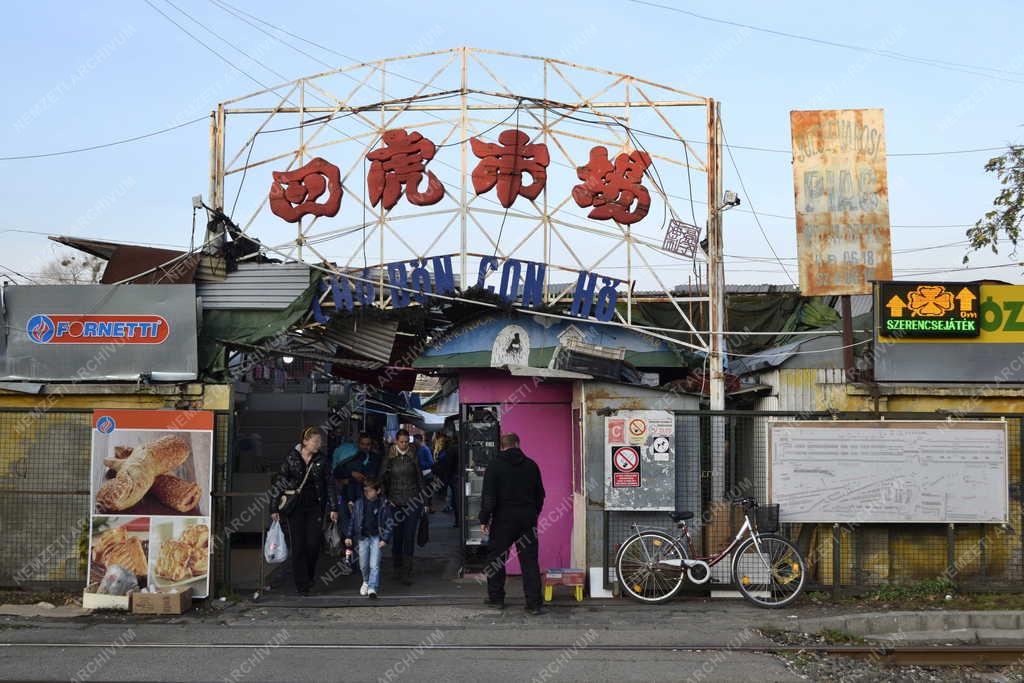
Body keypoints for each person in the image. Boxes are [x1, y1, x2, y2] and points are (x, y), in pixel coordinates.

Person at [479, 432, 546, 615]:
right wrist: (534, 513)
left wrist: (484, 519)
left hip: (503, 519)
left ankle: (496, 599)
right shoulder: (531, 466)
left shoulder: (494, 466)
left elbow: (489, 497)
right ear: (518, 444)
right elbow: (540, 494)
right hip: (527, 519)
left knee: (497, 559)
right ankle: (533, 604)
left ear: (502, 446)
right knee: (529, 561)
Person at [270, 426, 339, 596]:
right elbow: (280, 482)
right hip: (295, 508)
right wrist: (273, 506)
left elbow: (329, 483)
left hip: (315, 506)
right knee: (298, 546)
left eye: (320, 442)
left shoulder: (322, 460)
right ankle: (302, 584)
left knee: (313, 545)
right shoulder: (291, 458)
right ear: (305, 441)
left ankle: (309, 575)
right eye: (315, 442)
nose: (318, 445)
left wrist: (333, 507)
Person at [379, 429, 426, 585]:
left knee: (409, 537)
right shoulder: (389, 458)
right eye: (401, 441)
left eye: (406, 441)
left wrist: (425, 502)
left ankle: (406, 571)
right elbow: (381, 480)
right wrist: (387, 499)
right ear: (396, 441)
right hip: (395, 503)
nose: (404, 444)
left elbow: (420, 479)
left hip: (412, 502)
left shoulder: (414, 456)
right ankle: (397, 568)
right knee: (397, 537)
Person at [344, 477, 393, 599]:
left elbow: (389, 522)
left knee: (374, 564)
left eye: (370, 491)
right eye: (365, 490)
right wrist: (349, 535)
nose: (367, 493)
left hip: (377, 537)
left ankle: (372, 587)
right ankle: (366, 581)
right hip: (363, 537)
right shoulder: (359, 503)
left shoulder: (384, 504)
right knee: (363, 564)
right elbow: (353, 520)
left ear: (378, 491)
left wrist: (385, 539)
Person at [334, 433, 382, 507]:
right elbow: (337, 471)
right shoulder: (353, 457)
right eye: (362, 444)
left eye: (368, 444)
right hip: (351, 499)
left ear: (371, 445)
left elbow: (377, 478)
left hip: (369, 498)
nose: (365, 447)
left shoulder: (376, 459)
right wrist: (352, 473)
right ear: (358, 444)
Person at [430, 433, 460, 528]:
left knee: (456, 500)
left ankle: (458, 520)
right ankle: (459, 520)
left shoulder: (450, 450)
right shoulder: (457, 448)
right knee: (456, 499)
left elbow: (446, 466)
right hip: (455, 477)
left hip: (453, 478)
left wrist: (435, 468)